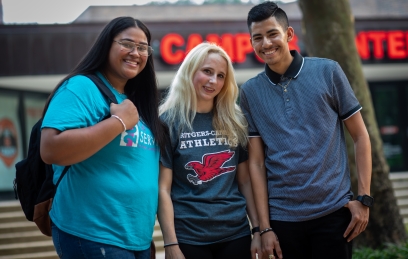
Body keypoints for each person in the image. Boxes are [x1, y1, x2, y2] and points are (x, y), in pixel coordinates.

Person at [239, 1, 372, 259]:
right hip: (282, 220)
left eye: (272, 34)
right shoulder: (250, 92)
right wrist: (264, 227)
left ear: (288, 34)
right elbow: (255, 163)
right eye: (257, 38)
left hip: (334, 214)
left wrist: (364, 198)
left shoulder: (328, 71)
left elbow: (360, 136)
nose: (265, 43)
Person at [40, 16, 167, 259]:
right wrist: (118, 122)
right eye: (127, 44)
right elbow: (50, 149)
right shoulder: (82, 87)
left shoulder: (135, 101)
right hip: (92, 234)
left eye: (143, 48)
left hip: (137, 240)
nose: (135, 53)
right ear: (107, 45)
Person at [158, 42, 261, 259]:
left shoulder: (235, 120)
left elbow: (244, 181)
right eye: (207, 71)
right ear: (190, 71)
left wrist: (258, 230)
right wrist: (170, 243)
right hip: (188, 237)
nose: (214, 81)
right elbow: (163, 189)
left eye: (221, 75)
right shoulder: (168, 122)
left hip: (235, 233)